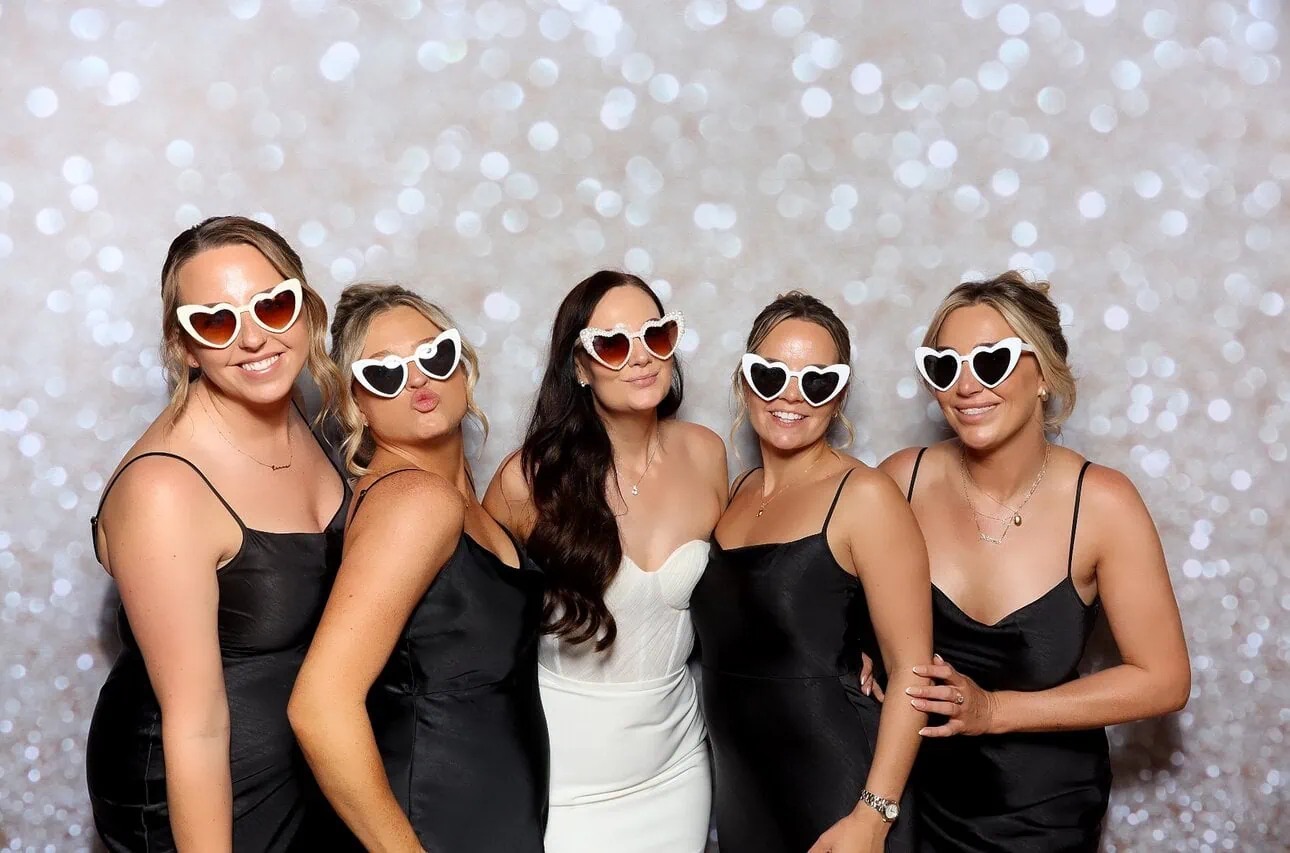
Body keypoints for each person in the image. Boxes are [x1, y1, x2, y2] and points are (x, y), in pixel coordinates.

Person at [881, 271, 1191, 853]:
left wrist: (995, 710)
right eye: (945, 367)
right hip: (913, 803)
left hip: (1041, 816)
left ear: (1044, 374)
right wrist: (858, 653)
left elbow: (1164, 680)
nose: (966, 386)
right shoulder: (902, 481)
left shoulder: (1101, 504)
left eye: (991, 361)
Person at [85, 216, 348, 851]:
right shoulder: (163, 490)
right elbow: (194, 726)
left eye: (273, 306)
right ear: (185, 344)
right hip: (199, 796)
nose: (254, 338)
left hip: (301, 775)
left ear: (306, 309)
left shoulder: (308, 422)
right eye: (217, 321)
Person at [288, 284, 547, 852]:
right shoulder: (414, 501)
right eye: (385, 373)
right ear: (358, 402)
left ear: (464, 367)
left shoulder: (460, 500)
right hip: (431, 821)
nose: (419, 380)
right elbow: (319, 704)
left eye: (434, 356)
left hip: (485, 816)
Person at [483, 270, 728, 853]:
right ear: (579, 366)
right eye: (613, 345)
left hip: (677, 765)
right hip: (568, 777)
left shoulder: (706, 453)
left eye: (656, 335)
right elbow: (469, 609)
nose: (640, 358)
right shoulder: (529, 480)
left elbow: (755, 581)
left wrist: (852, 637)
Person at [691, 291, 932, 853]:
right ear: (744, 382)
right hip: (744, 790)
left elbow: (913, 675)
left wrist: (873, 817)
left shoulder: (865, 496)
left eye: (817, 380)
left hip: (838, 789)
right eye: (770, 375)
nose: (791, 395)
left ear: (840, 393)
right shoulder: (735, 492)